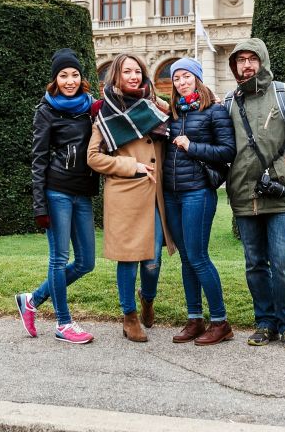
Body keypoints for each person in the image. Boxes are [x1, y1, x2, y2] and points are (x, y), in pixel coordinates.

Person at [225, 38, 285, 350]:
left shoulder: (284, 94)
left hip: (279, 195)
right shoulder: (229, 102)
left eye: (252, 58)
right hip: (242, 195)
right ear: (234, 65)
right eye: (241, 60)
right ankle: (264, 322)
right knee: (254, 264)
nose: (247, 64)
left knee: (283, 262)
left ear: (262, 61)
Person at [87, 53, 175, 343]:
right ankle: (129, 316)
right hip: (125, 193)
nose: (134, 76)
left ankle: (147, 298)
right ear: (116, 76)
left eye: (137, 71)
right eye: (127, 72)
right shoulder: (107, 113)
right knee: (128, 260)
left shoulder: (154, 106)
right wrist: (131, 165)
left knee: (153, 261)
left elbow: (178, 116)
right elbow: (93, 157)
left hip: (154, 195)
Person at [16, 49, 99, 344]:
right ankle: (64, 323)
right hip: (57, 191)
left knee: (87, 262)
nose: (69, 80)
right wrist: (40, 205)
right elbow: (38, 160)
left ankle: (32, 299)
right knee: (59, 258)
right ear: (55, 79)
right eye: (63, 75)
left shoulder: (92, 107)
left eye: (74, 74)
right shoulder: (46, 111)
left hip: (83, 192)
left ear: (82, 77)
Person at [163, 58, 236, 346]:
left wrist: (191, 146)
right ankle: (195, 319)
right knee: (185, 257)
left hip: (198, 192)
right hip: (172, 193)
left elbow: (227, 150)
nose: (181, 82)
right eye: (176, 78)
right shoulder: (171, 114)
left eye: (186, 76)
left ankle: (221, 322)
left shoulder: (214, 111)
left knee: (198, 256)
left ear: (197, 78)